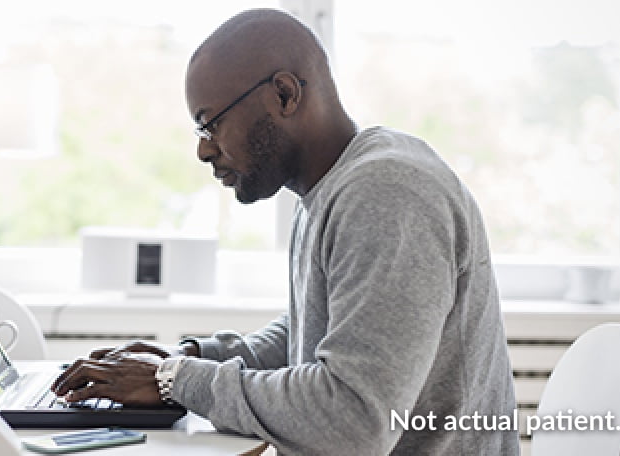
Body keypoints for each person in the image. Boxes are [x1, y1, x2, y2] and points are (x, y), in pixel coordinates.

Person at [52, 8, 519, 455]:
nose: (202, 150)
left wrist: (178, 380)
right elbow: (314, 337)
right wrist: (188, 357)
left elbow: (353, 422)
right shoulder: (331, 188)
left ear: (284, 95)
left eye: (210, 123)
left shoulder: (386, 192)